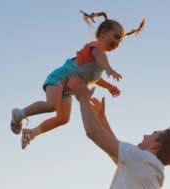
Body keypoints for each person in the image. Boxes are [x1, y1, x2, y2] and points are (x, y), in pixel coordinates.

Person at [10, 11, 146, 149]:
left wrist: (109, 86)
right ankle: (18, 114)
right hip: (60, 78)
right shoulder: (96, 47)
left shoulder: (98, 63)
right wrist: (109, 69)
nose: (117, 42)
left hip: (68, 90)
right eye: (116, 37)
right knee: (51, 105)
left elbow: (94, 78)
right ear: (103, 33)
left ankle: (31, 133)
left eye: (120, 41)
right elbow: (100, 57)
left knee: (63, 119)